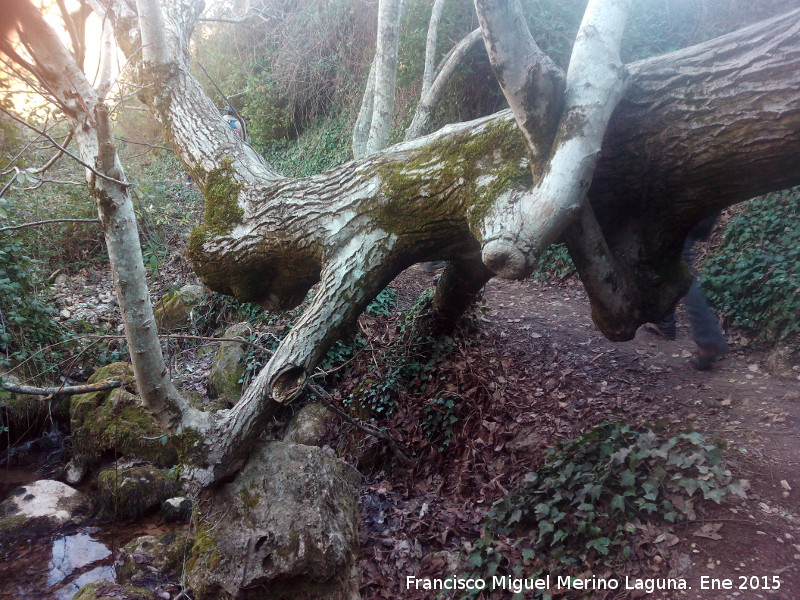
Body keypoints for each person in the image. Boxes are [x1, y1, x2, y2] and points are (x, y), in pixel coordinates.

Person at [646, 213, 729, 371]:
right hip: (701, 210)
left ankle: (708, 340)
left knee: (681, 269)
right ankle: (664, 322)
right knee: (669, 263)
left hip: (688, 209)